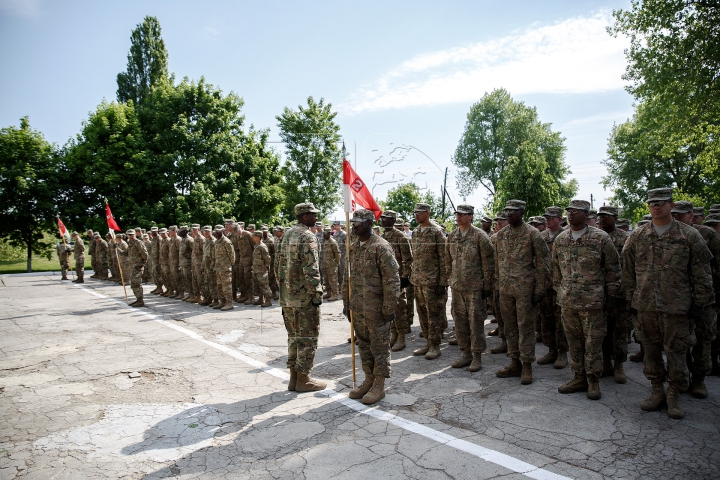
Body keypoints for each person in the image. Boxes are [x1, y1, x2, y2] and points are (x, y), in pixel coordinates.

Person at [622, 188, 714, 419]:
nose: (656, 207)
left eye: (661, 203)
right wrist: (630, 300)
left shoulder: (690, 236)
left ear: (671, 205)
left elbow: (702, 274)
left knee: (677, 352)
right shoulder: (638, 236)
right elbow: (627, 272)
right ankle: (656, 390)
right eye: (652, 203)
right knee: (651, 350)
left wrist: (700, 305)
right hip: (646, 306)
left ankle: (674, 393)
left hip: (677, 308)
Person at [554, 200, 621, 400]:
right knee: (574, 342)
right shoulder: (561, 239)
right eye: (569, 212)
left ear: (586, 214)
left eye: (576, 212)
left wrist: (612, 295)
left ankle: (593, 381)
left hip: (593, 302)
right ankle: (578, 377)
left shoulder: (600, 238)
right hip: (568, 302)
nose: (571, 215)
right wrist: (561, 290)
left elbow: (613, 269)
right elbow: (555, 269)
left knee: (593, 343)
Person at [343, 209, 400, 404]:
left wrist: (389, 308)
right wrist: (346, 303)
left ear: (368, 223)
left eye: (358, 222)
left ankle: (379, 385)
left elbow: (392, 280)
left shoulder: (381, 247)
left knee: (380, 347)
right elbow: (347, 277)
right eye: (353, 222)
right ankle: (368, 379)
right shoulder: (354, 247)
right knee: (364, 345)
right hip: (358, 307)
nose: (354, 225)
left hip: (377, 309)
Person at [493, 200, 550, 385]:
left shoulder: (533, 234)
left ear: (522, 212)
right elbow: (497, 263)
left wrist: (540, 290)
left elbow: (543, 264)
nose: (509, 214)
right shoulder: (501, 235)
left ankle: (527, 366)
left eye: (513, 211)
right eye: (507, 211)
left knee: (525, 328)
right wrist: (497, 286)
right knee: (510, 327)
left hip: (526, 290)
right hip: (506, 290)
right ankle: (514, 362)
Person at [670, 201, 720, 399]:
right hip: (677, 299)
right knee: (678, 343)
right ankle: (679, 378)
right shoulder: (669, 234)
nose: (677, 217)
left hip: (704, 298)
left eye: (681, 214)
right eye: (675, 214)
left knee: (702, 340)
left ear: (691, 215)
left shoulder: (706, 234)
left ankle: (698, 379)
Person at [274, 202, 326, 392]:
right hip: (304, 298)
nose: (315, 217)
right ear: (304, 216)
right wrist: (316, 293)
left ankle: (294, 378)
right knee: (307, 337)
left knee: (294, 337)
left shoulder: (286, 235)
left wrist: (284, 288)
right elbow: (311, 268)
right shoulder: (307, 236)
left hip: (288, 296)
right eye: (313, 214)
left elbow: (276, 266)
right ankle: (303, 379)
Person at [446, 204, 494, 372]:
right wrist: (450, 278)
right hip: (457, 287)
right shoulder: (452, 236)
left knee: (475, 323)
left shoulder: (480, 236)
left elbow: (489, 264)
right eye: (457, 214)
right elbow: (448, 260)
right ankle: (465, 353)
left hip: (475, 288)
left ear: (471, 216)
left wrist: (487, 286)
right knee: (459, 322)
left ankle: (477, 356)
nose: (458, 217)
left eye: (462, 214)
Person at [597, 205, 631, 383]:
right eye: (600, 216)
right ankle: (605, 363)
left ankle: (619, 365)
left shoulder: (625, 238)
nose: (602, 219)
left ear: (616, 218)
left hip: (619, 294)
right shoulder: (594, 236)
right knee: (602, 331)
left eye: (607, 216)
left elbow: (630, 266)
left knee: (619, 331)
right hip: (597, 293)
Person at [411, 203, 449, 360]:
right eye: (415, 213)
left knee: (433, 314)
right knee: (422, 313)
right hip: (418, 280)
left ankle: (435, 345)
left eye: (419, 213)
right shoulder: (415, 232)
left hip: (432, 281)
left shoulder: (436, 232)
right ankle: (427, 342)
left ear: (428, 213)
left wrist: (442, 282)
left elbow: (444, 258)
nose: (416, 215)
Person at [537, 206, 569, 369]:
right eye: (546, 218)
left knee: (560, 321)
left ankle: (562, 353)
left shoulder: (565, 236)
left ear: (560, 219)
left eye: (551, 217)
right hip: (544, 286)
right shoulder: (540, 236)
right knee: (546, 320)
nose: (548, 220)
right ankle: (551, 350)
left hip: (561, 287)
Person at [380, 210, 414, 352]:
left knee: (399, 308)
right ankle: (393, 334)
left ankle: (401, 336)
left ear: (393, 220)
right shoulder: (381, 237)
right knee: (389, 308)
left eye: (386, 218)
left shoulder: (401, 237)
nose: (382, 221)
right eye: (382, 218)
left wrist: (405, 277)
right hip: (385, 278)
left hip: (398, 279)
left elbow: (408, 259)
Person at [117, 230, 148, 307]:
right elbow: (126, 253)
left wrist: (142, 263)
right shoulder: (130, 243)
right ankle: (138, 299)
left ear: (135, 235)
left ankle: (140, 300)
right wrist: (117, 248)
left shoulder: (138, 243)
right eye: (129, 235)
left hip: (138, 266)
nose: (130, 236)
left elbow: (145, 254)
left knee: (136, 282)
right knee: (134, 283)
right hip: (132, 266)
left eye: (132, 235)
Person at [213, 225, 235, 311]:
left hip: (225, 268)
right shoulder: (217, 242)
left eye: (218, 232)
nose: (216, 233)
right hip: (218, 267)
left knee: (227, 286)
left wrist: (230, 265)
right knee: (219, 286)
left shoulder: (226, 241)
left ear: (222, 232)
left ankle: (229, 303)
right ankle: (222, 301)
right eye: (215, 232)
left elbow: (232, 254)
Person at [251, 230, 273, 307]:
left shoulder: (262, 246)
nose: (252, 237)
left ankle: (268, 300)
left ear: (258, 237)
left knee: (264, 285)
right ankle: (261, 299)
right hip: (256, 269)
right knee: (258, 285)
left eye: (254, 236)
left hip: (261, 269)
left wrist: (266, 267)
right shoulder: (256, 246)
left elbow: (267, 258)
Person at [199, 226, 218, 307]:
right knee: (206, 282)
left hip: (211, 265)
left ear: (211, 232)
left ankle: (216, 300)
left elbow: (215, 255)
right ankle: (208, 298)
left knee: (213, 283)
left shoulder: (214, 242)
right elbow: (204, 255)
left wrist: (213, 266)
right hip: (206, 265)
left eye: (207, 231)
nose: (206, 233)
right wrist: (202, 266)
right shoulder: (205, 241)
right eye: (204, 231)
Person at [321, 227, 341, 301]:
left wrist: (336, 263)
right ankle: (328, 293)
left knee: (333, 280)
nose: (324, 235)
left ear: (329, 233)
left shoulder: (333, 242)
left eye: (325, 234)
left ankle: (335, 294)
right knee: (326, 280)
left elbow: (337, 253)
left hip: (332, 265)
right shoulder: (325, 241)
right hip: (325, 264)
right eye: (323, 233)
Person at [188, 224, 204, 303]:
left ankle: (202, 296)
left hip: (199, 263)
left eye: (195, 229)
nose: (194, 231)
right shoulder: (195, 238)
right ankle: (197, 296)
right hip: (194, 263)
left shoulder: (201, 239)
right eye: (192, 230)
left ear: (199, 229)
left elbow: (204, 252)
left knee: (200, 280)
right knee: (195, 280)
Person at [262, 226, 279, 300]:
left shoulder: (270, 241)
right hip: (263, 261)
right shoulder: (261, 240)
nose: (264, 233)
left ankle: (274, 292)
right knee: (266, 277)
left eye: (265, 231)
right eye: (263, 231)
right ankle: (268, 293)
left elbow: (274, 252)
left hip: (271, 261)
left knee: (272, 277)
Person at [178, 226, 194, 300]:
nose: (179, 233)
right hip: (183, 263)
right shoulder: (182, 240)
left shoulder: (190, 240)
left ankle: (193, 295)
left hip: (188, 263)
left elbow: (193, 252)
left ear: (185, 232)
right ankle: (190, 294)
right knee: (185, 279)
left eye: (181, 231)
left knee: (189, 279)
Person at [167, 226, 182, 298]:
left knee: (178, 277)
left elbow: (180, 252)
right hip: (172, 262)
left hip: (176, 262)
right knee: (173, 277)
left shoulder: (178, 239)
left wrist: (180, 263)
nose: (169, 232)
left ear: (175, 231)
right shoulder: (171, 240)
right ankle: (177, 291)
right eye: (169, 231)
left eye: (171, 231)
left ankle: (181, 292)